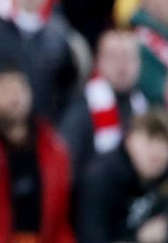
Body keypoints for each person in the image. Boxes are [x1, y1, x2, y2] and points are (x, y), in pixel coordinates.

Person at [0, 66, 75, 243]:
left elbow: (61, 217)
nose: (14, 96)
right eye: (5, 89)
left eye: (20, 88)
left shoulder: (51, 145)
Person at [59, 29, 148, 193]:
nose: (122, 66)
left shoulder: (143, 105)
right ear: (98, 61)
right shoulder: (81, 108)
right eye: (114, 57)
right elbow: (67, 166)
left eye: (129, 57)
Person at [77, 109, 168, 243]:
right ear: (129, 139)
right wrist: (137, 238)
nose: (157, 151)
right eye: (150, 140)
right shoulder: (100, 178)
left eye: (164, 143)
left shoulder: (162, 180)